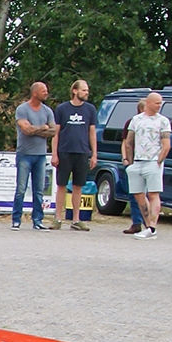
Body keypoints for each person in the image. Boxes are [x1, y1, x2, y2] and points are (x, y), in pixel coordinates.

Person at [122, 92, 171, 238]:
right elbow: (129, 141)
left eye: (160, 103)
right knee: (138, 194)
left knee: (153, 193)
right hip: (137, 161)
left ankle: (152, 226)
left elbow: (166, 144)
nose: (159, 105)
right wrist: (129, 162)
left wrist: (159, 161)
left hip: (153, 161)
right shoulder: (136, 120)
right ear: (148, 103)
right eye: (156, 102)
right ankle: (147, 223)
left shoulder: (163, 121)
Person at [50, 79, 97, 230]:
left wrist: (94, 154)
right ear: (75, 91)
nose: (86, 93)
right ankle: (57, 218)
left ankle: (76, 220)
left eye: (87, 90)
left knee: (78, 186)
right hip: (65, 151)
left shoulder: (90, 110)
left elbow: (92, 133)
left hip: (82, 152)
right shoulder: (62, 109)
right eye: (83, 90)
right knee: (61, 185)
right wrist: (54, 154)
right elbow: (55, 133)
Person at [12, 81, 56, 230]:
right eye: (43, 91)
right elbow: (25, 130)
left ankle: (37, 220)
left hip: (41, 155)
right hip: (24, 154)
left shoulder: (47, 111)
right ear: (35, 92)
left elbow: (53, 131)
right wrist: (42, 128)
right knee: (21, 189)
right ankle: (16, 219)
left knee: (39, 190)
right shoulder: (22, 109)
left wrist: (37, 129)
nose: (46, 93)